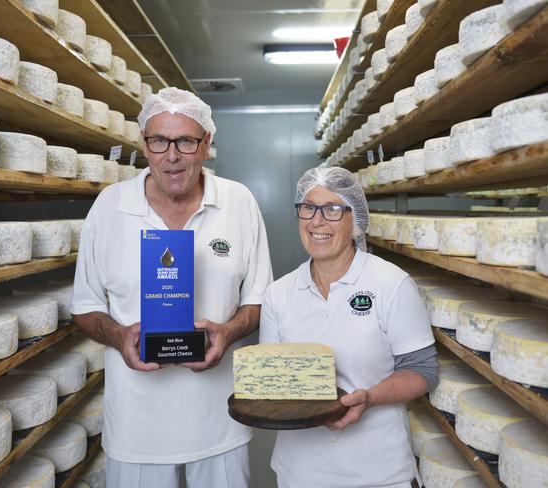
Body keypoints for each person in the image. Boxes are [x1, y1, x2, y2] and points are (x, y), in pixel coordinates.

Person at [71, 87, 273, 488]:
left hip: (219, 419)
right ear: (145, 144)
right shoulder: (109, 207)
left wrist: (228, 331)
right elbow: (85, 306)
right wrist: (119, 335)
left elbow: (259, 301)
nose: (172, 155)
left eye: (185, 140)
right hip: (136, 424)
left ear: (207, 144)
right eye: (159, 140)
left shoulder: (239, 202)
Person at [260, 167, 438, 488]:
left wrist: (369, 397)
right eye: (308, 208)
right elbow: (275, 380)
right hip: (299, 471)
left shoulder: (390, 284)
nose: (317, 221)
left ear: (354, 220)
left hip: (377, 472)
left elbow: (423, 371)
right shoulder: (278, 294)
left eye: (332, 210)